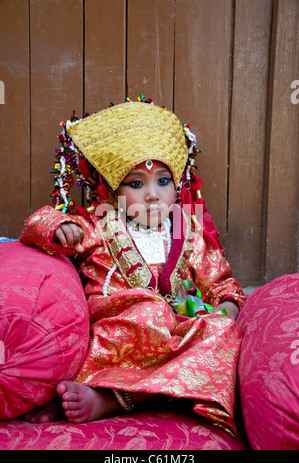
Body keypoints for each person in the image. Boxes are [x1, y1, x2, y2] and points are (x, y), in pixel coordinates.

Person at [20, 98, 246, 434]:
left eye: (164, 181)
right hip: (122, 329)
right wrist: (58, 228)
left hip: (177, 333)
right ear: (112, 191)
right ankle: (116, 392)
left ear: (178, 184)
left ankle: (117, 399)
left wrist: (225, 308)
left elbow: (222, 284)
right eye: (137, 183)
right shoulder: (98, 225)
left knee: (223, 331)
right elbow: (36, 223)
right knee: (148, 311)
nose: (153, 195)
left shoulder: (188, 229)